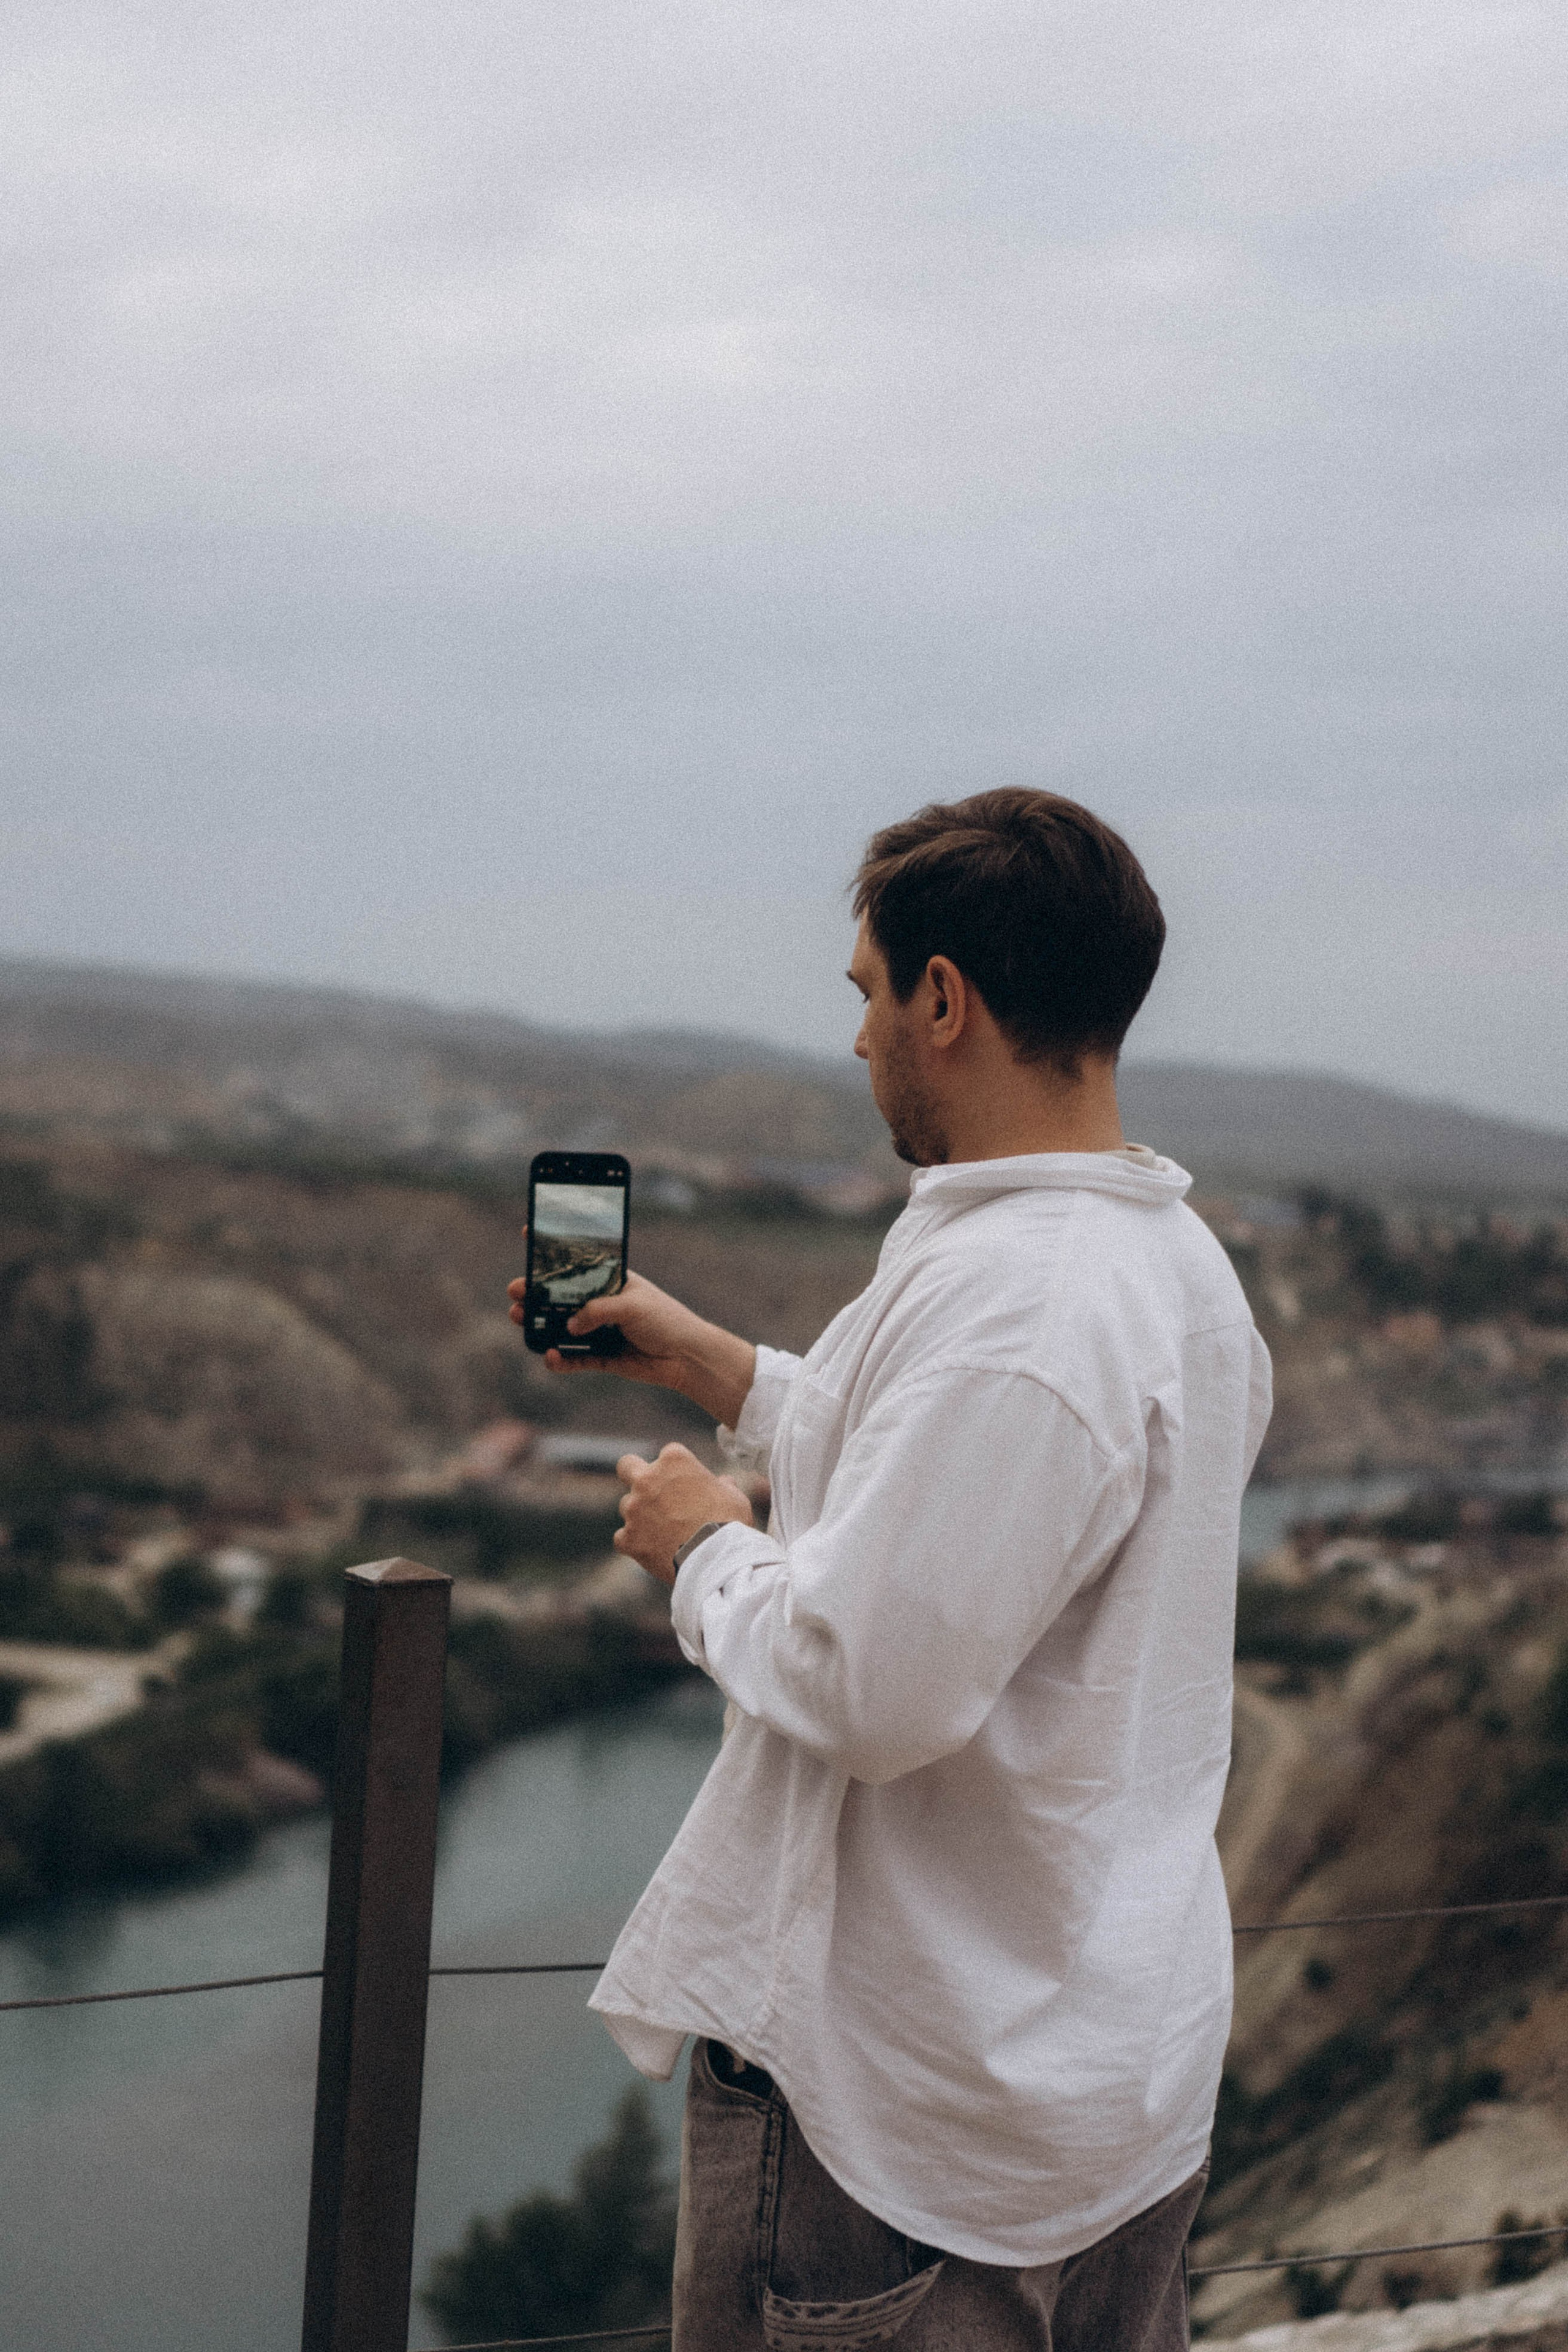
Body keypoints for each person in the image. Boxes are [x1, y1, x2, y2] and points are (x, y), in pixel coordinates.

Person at [507, 788, 1272, 2351]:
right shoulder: (1163, 1262)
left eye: (865, 994)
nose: (857, 1040)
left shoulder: (1018, 1301)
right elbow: (1005, 1499)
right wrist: (726, 1369)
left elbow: (872, 1686)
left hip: (916, 2128)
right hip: (1102, 2085)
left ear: (943, 999)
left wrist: (701, 1548)